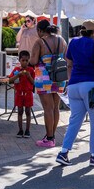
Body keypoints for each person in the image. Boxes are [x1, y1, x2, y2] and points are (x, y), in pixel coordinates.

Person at [55, 19, 94, 167]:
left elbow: (69, 64)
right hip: (91, 85)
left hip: (74, 85)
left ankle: (64, 152)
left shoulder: (73, 42)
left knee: (74, 121)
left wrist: (72, 80)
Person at [30, 19, 68, 148]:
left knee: (47, 108)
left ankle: (49, 138)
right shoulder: (61, 40)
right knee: (55, 107)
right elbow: (67, 58)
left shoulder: (40, 42)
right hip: (59, 75)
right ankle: (52, 136)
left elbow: (34, 60)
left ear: (40, 30)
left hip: (44, 77)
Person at [6, 50, 35, 138]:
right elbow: (10, 80)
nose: (25, 62)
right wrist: (18, 75)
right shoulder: (16, 70)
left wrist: (28, 75)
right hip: (19, 93)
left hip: (28, 93)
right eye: (23, 60)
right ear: (19, 60)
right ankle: (20, 130)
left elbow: (34, 83)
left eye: (27, 61)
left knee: (28, 111)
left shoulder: (31, 70)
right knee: (20, 111)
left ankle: (27, 130)